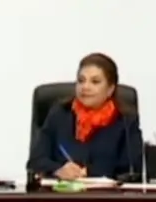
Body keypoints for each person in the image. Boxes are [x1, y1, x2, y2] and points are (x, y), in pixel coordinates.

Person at [27, 52, 142, 181]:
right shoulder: (59, 113)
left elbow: (132, 170)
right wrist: (58, 169)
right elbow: (35, 162)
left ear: (110, 89)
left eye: (95, 82)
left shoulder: (125, 121)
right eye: (81, 81)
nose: (85, 87)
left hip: (106, 198)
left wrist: (89, 173)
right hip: (61, 196)